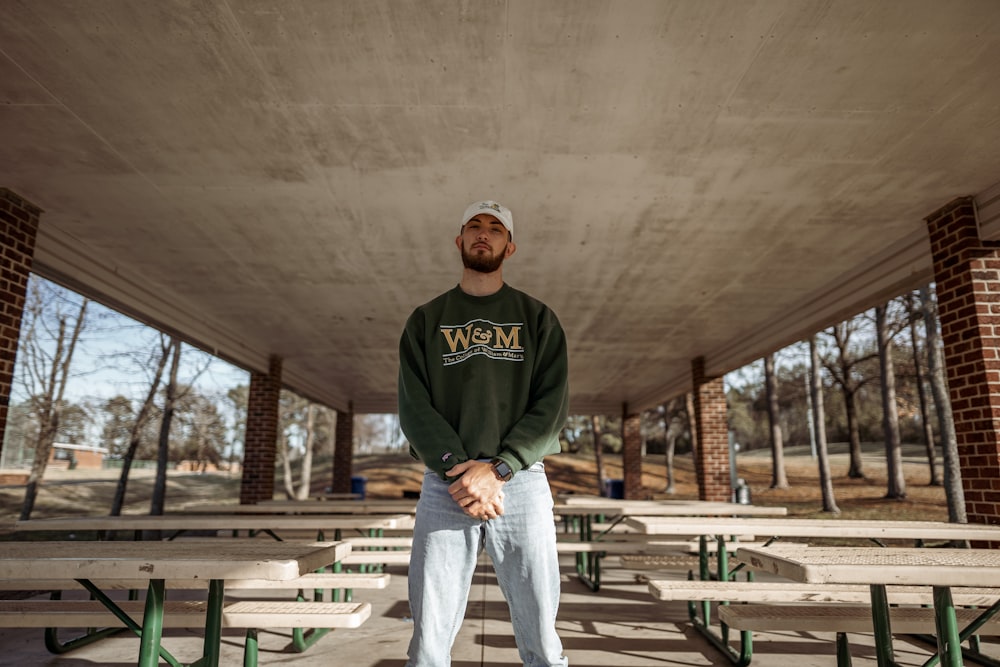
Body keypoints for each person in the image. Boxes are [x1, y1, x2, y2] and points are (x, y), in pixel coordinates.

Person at [398, 199, 570, 667]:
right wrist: (458, 469)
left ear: (509, 247)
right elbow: (414, 407)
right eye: (474, 226)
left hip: (522, 483)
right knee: (429, 641)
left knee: (541, 637)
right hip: (444, 483)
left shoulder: (538, 318)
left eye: (495, 228)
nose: (483, 233)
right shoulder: (426, 320)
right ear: (459, 241)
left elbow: (551, 406)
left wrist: (500, 468)